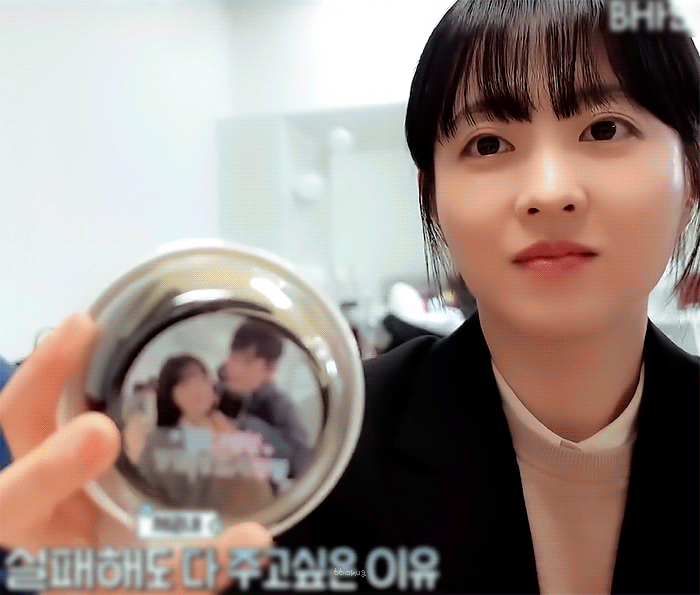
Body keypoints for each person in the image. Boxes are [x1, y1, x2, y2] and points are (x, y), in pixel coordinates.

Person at [0, 0, 698, 593]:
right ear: (432, 198)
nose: (548, 192)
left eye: (605, 129)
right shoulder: (318, 460)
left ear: (692, 172)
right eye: (488, 144)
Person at [137, 354, 276, 514]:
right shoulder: (158, 442)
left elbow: (263, 497)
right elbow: (144, 497)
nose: (196, 389)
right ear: (170, 395)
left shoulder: (241, 433)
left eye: (202, 380)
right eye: (185, 384)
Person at [217, 320, 311, 479]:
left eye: (247, 362)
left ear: (271, 368)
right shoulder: (214, 392)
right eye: (233, 357)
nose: (234, 368)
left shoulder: (279, 405)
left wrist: (243, 424)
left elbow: (299, 463)